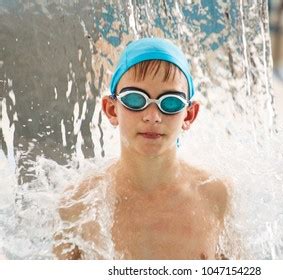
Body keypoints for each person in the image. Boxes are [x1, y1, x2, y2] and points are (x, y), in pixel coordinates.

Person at [53, 37, 230, 260]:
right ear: (111, 109)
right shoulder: (78, 205)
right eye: (135, 99)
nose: (152, 117)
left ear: (189, 114)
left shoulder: (215, 196)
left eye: (171, 102)